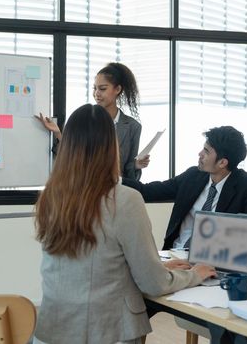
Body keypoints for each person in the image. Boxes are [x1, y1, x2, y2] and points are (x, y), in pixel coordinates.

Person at [33, 104, 214, 344]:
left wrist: (162, 268)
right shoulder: (124, 199)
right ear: (111, 147)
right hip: (107, 333)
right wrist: (194, 274)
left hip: (51, 331)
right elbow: (154, 283)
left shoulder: (51, 196)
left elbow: (93, 265)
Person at [124, 125, 247, 250]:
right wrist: (112, 180)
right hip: (175, 254)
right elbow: (147, 192)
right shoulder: (193, 176)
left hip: (215, 262)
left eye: (206, 151)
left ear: (222, 162)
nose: (200, 154)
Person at [36, 62, 150, 179]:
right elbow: (70, 158)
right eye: (94, 88)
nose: (96, 94)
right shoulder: (85, 119)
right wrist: (57, 133)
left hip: (115, 192)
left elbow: (129, 174)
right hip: (84, 190)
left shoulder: (132, 126)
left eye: (102, 89)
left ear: (118, 89)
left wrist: (136, 165)